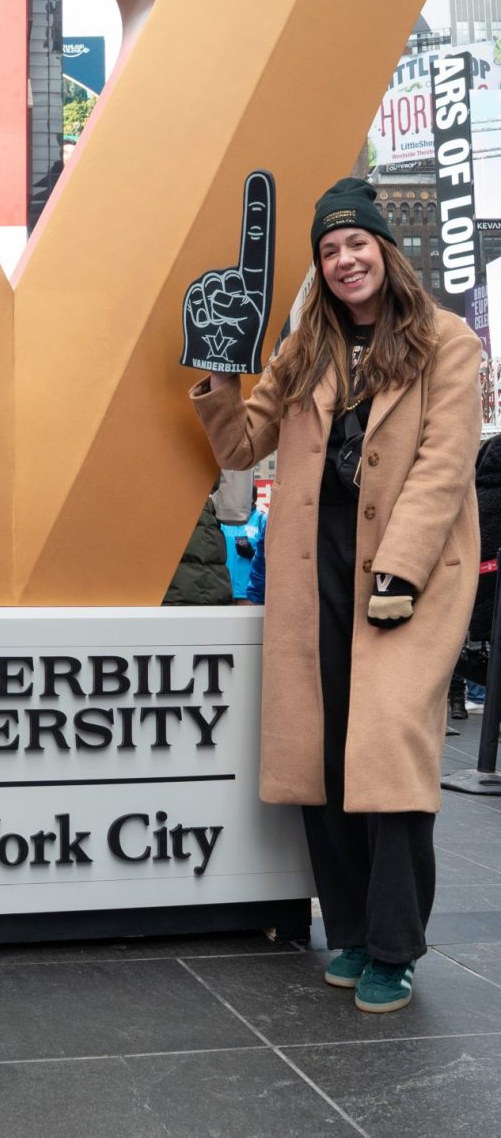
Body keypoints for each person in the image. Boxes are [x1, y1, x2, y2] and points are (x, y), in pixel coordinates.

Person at [190, 177, 481, 1014]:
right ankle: (350, 932)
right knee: (322, 757)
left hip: (406, 580)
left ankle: (395, 948)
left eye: (356, 244)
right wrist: (215, 374)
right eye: (328, 250)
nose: (344, 260)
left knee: (390, 755)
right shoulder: (308, 346)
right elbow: (246, 445)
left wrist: (401, 569)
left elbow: (443, 465)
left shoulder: (447, 342)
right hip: (316, 569)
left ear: (385, 250)